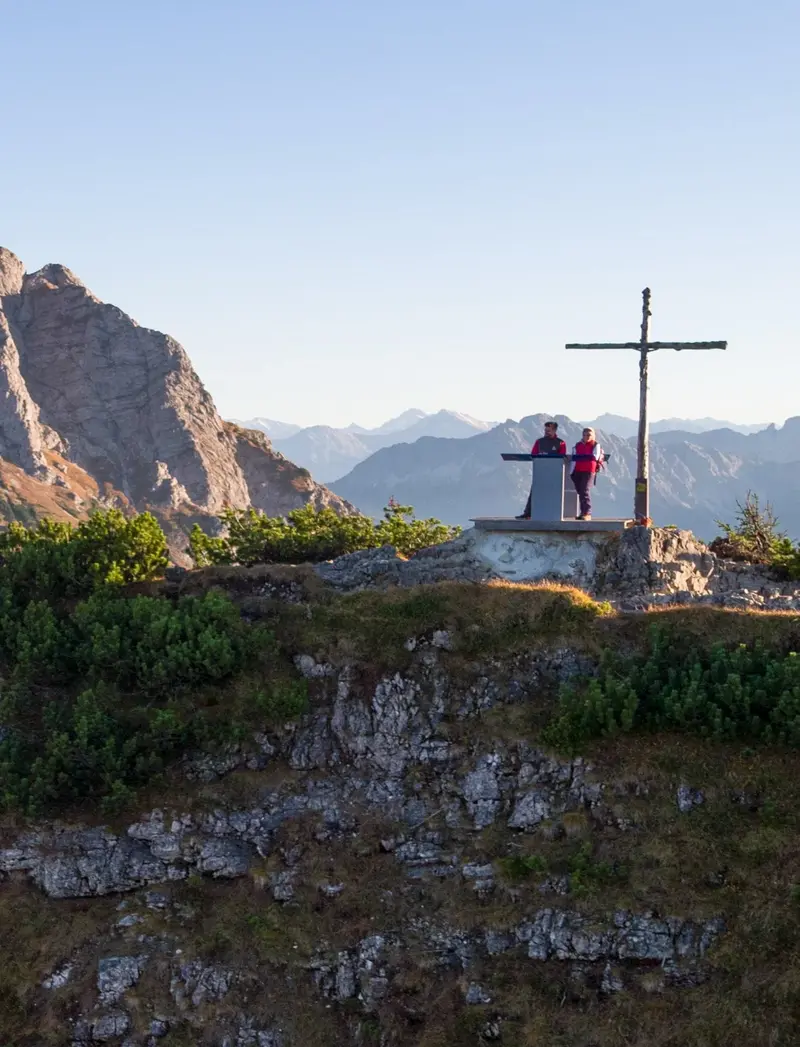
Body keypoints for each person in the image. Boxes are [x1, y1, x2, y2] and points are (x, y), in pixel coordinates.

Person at [516, 421, 567, 519]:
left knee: (553, 494)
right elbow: (533, 454)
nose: (546, 432)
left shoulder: (561, 443)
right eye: (545, 430)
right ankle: (528, 513)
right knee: (534, 492)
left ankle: (553, 514)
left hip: (554, 473)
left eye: (549, 430)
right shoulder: (539, 442)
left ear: (554, 430)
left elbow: (562, 457)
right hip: (540, 472)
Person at [571, 426, 604, 520]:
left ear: (593, 435)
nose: (587, 436)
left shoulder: (595, 445)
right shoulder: (578, 445)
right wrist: (571, 472)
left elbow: (595, 457)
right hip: (577, 470)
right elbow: (574, 457)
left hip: (589, 471)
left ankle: (587, 513)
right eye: (585, 434)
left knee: (584, 490)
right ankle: (583, 512)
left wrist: (582, 457)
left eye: (589, 435)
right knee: (580, 491)